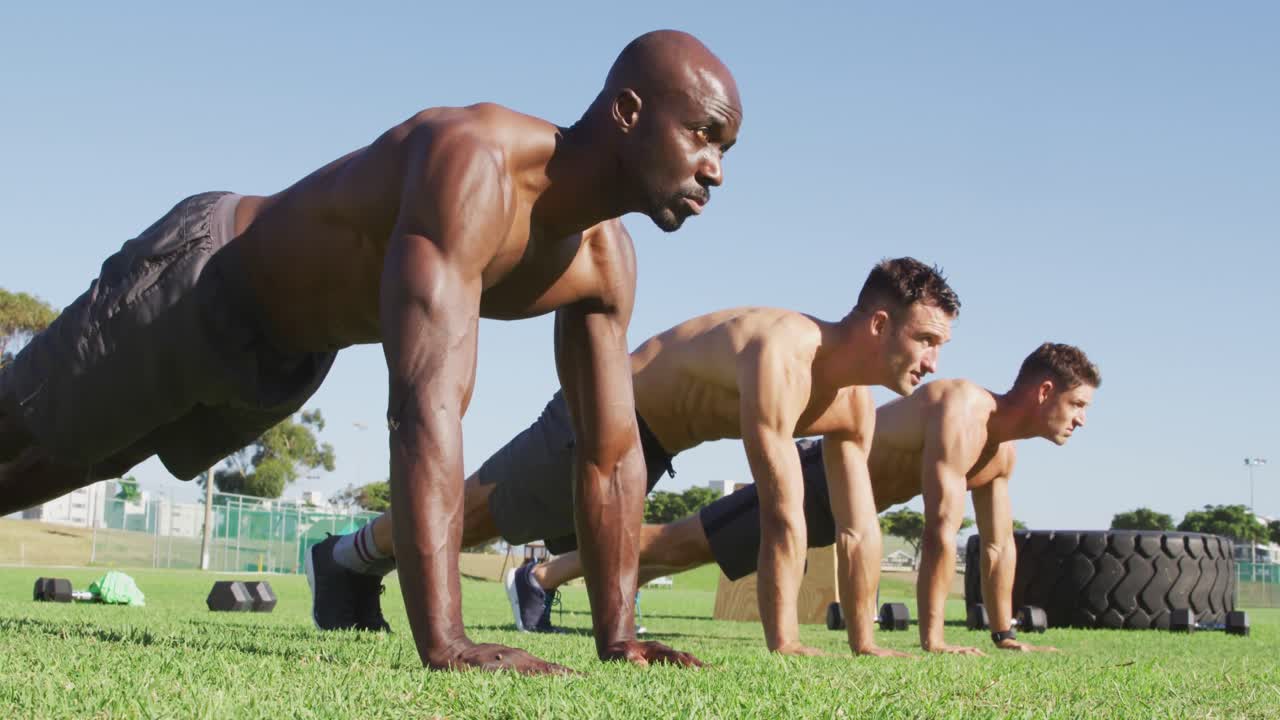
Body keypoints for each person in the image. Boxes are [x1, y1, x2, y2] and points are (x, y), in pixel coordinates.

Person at [0, 29, 742, 675]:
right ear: (628, 113)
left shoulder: (606, 263)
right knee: (21, 416)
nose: (715, 169)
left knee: (93, 456)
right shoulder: (474, 165)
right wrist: (446, 640)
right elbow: (427, 408)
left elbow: (609, 457)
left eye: (726, 148)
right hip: (205, 278)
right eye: (703, 134)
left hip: (286, 362)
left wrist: (619, 636)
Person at [310, 257, 960, 658]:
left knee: (480, 523)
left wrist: (865, 641)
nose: (933, 362)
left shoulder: (852, 407)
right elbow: (784, 513)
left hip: (653, 447)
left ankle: (350, 561)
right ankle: (342, 558)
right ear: (879, 324)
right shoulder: (784, 350)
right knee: (474, 516)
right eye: (925, 339)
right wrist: (785, 641)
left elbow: (858, 528)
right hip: (605, 410)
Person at [514, 342, 1099, 654]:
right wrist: (935, 640)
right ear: (1044, 390)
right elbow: (941, 529)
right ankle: (540, 578)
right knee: (683, 543)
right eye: (1076, 406)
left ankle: (571, 577)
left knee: (690, 550)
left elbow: (996, 548)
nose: (1080, 421)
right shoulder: (963, 408)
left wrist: (1003, 632)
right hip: (820, 475)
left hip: (849, 503)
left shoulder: (1002, 455)